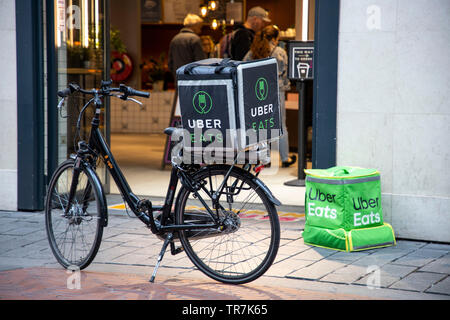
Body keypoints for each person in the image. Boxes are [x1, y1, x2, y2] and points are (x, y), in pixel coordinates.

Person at [243, 25, 296, 167]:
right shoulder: (279, 52)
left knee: (260, 125)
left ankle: (263, 159)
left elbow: (243, 71)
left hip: (255, 94)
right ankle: (285, 158)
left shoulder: (251, 53)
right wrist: (286, 87)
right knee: (280, 125)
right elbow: (286, 73)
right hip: (276, 92)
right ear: (274, 38)